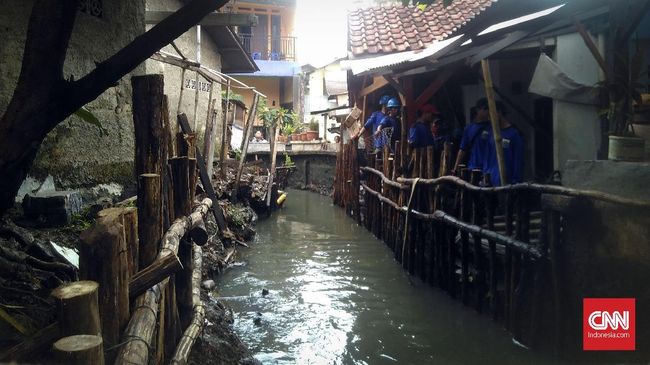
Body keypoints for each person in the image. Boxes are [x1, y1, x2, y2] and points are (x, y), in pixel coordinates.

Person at [483, 103, 524, 186]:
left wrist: (515, 181)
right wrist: (485, 174)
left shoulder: (514, 134)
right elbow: (486, 157)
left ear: (499, 113)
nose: (488, 119)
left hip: (507, 182)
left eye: (489, 116)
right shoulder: (491, 133)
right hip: (491, 181)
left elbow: (518, 160)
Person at [453, 98, 492, 173]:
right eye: (485, 108)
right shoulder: (469, 128)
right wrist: (455, 168)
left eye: (488, 109)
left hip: (489, 168)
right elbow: (462, 150)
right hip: (473, 167)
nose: (487, 111)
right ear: (478, 110)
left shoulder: (493, 127)